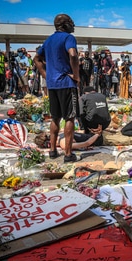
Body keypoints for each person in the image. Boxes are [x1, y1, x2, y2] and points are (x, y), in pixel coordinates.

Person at [34, 13, 80, 163]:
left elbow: (36, 59)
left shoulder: (48, 41)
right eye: (71, 22)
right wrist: (76, 75)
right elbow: (72, 54)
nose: (73, 25)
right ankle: (68, 154)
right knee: (70, 117)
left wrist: (45, 75)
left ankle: (52, 151)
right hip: (66, 82)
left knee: (55, 117)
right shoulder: (68, 38)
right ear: (65, 24)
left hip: (52, 84)